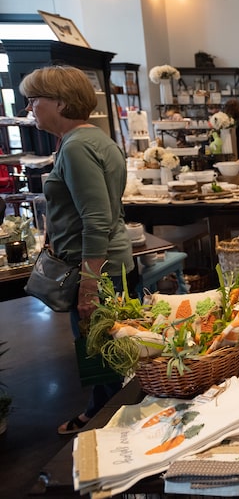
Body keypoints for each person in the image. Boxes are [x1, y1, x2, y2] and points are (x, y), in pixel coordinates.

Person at [19, 65, 135, 435]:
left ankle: (107, 422)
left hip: (98, 269)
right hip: (110, 263)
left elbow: (97, 218)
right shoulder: (96, 139)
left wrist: (89, 284)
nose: (31, 108)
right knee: (107, 348)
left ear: (61, 102)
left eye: (35, 100)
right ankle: (106, 412)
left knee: (101, 350)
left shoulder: (77, 146)